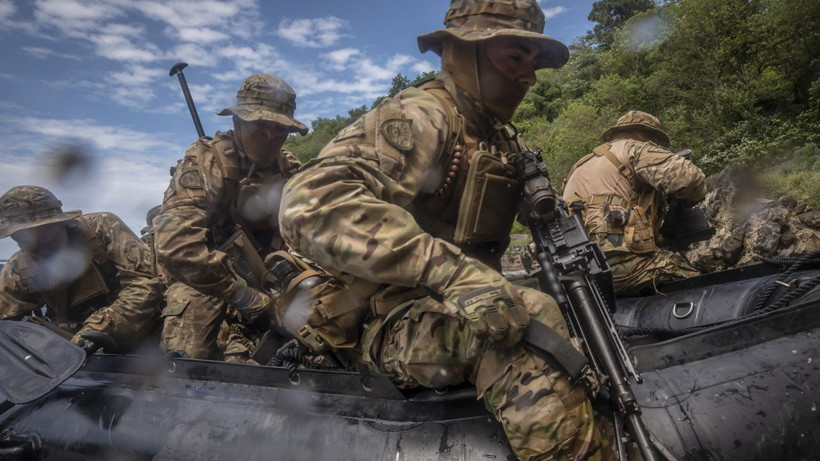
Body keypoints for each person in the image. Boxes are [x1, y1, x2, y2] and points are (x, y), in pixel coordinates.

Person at [277, 1, 612, 459]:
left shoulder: (498, 137)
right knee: (525, 326)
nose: (529, 79)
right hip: (382, 320)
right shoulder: (423, 115)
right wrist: (456, 274)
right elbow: (309, 203)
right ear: (463, 51)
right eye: (516, 58)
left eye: (534, 64)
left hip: (447, 306)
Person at [153, 74, 307, 362]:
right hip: (205, 279)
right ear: (238, 122)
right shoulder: (206, 161)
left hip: (272, 276)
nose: (271, 136)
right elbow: (177, 248)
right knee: (190, 357)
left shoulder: (290, 169)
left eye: (280, 128)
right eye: (261, 126)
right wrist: (246, 297)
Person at [562, 110, 707, 295]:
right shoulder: (636, 148)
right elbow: (689, 180)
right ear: (648, 136)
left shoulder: (579, 166)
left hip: (575, 271)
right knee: (701, 284)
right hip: (621, 262)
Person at [0, 185, 162, 350]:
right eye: (28, 234)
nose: (44, 238)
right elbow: (7, 329)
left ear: (61, 221)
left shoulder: (101, 227)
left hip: (147, 333)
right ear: (13, 235)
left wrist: (96, 330)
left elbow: (146, 283)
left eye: (48, 227)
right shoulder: (17, 270)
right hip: (75, 352)